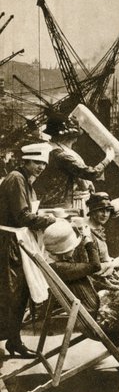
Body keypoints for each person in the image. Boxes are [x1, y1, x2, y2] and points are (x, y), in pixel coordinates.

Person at [43, 220, 119, 340]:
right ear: (65, 250)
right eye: (73, 247)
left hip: (97, 310)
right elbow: (95, 266)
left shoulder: (59, 265)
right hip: (101, 319)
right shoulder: (63, 268)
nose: (74, 248)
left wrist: (117, 287)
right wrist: (88, 241)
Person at [0, 143, 56, 358]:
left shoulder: (25, 180)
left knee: (19, 294)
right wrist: (51, 220)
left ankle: (14, 341)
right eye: (37, 162)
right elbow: (22, 216)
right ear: (26, 161)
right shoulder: (16, 179)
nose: (40, 167)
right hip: (8, 242)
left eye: (43, 163)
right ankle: (13, 341)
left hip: (16, 239)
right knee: (12, 294)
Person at [35, 113, 115, 211]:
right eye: (74, 137)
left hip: (50, 200)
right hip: (60, 204)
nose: (75, 140)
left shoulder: (48, 147)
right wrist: (108, 159)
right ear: (67, 137)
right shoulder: (60, 155)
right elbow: (91, 173)